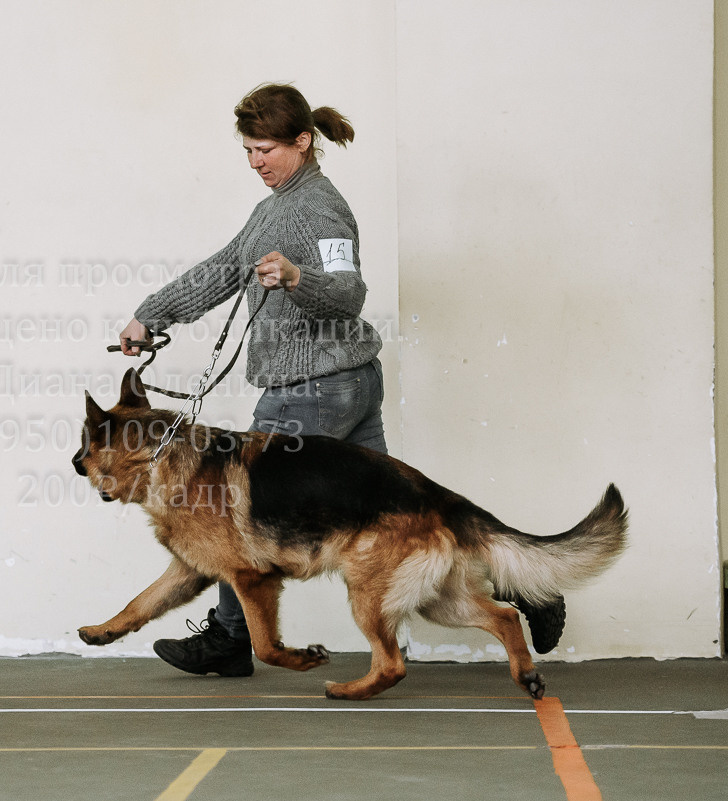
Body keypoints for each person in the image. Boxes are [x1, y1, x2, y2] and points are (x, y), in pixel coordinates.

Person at [118, 83, 565, 677]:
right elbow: (225, 268)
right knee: (397, 512)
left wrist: (297, 278)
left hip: (312, 390)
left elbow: (348, 294)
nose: (255, 163)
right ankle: (521, 585)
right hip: (345, 384)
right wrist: (153, 315)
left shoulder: (318, 208)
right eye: (248, 151)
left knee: (232, 510)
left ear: (302, 142)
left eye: (266, 150)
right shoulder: (276, 205)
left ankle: (228, 637)